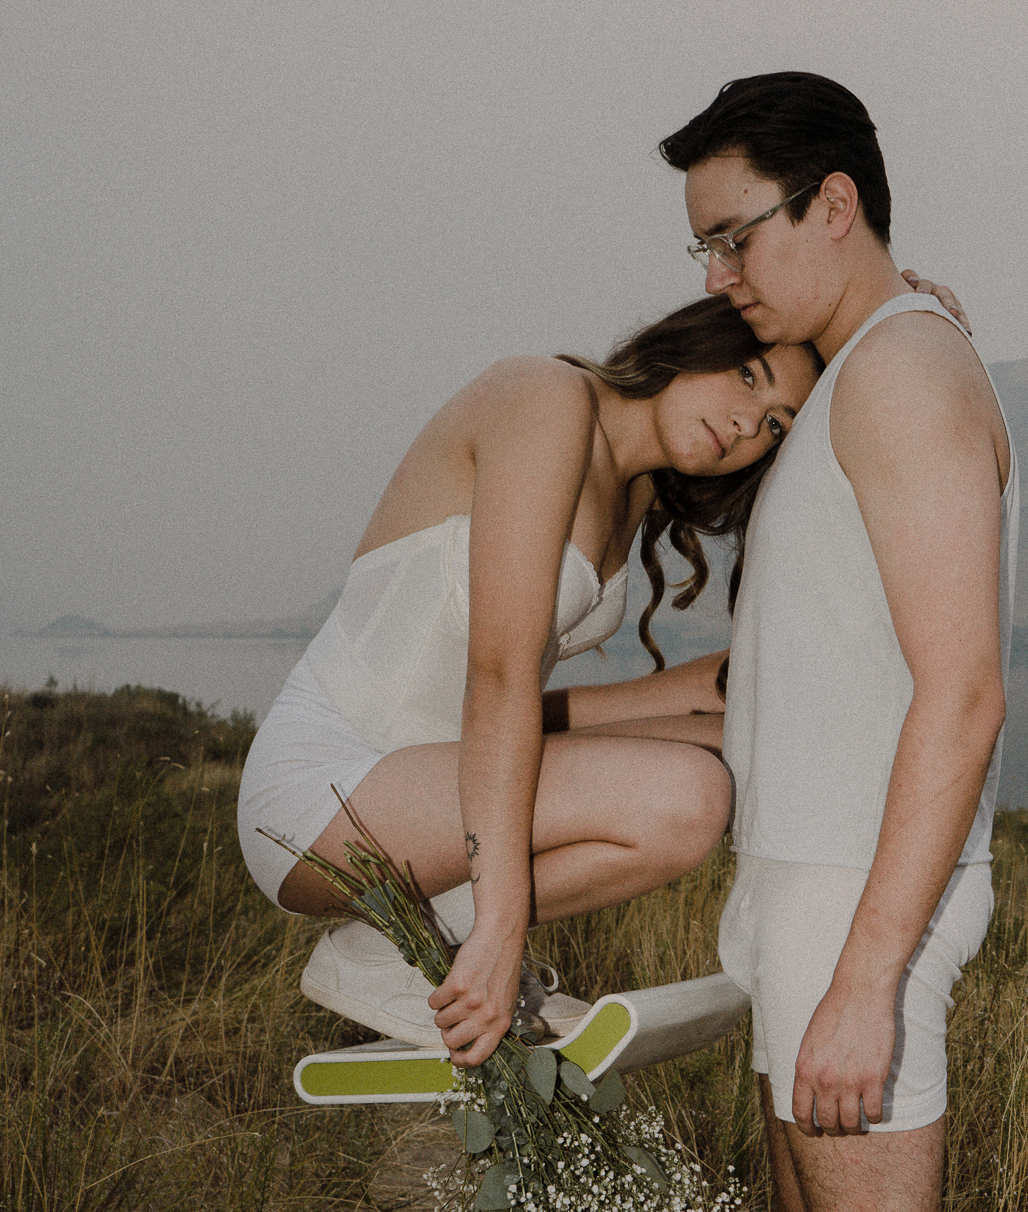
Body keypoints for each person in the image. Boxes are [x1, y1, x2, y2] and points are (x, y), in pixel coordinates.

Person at [659, 74, 1018, 1212]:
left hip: (869, 905)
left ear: (834, 205)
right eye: (704, 240)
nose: (719, 268)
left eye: (738, 230)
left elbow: (963, 692)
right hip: (797, 891)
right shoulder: (872, 360)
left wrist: (871, 971)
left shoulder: (915, 379)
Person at [237, 297, 820, 1062]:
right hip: (326, 792)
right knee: (689, 797)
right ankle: (418, 947)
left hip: (437, 782)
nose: (749, 424)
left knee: (738, 745)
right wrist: (501, 933)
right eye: (749, 376)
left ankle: (406, 942)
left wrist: (887, 314)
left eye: (776, 423)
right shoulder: (545, 398)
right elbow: (500, 674)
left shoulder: (637, 491)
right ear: (693, 340)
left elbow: (532, 702)